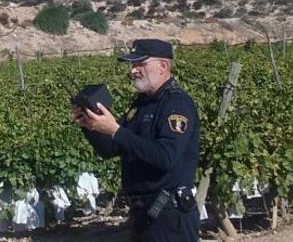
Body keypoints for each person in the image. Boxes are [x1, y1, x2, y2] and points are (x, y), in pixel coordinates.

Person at [72, 39, 200, 242]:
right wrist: (90, 126)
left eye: (140, 64)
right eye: (133, 64)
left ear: (163, 66)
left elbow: (165, 156)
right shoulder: (141, 105)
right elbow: (111, 148)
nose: (133, 70)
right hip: (144, 214)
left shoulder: (176, 104)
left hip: (169, 215)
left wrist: (115, 130)